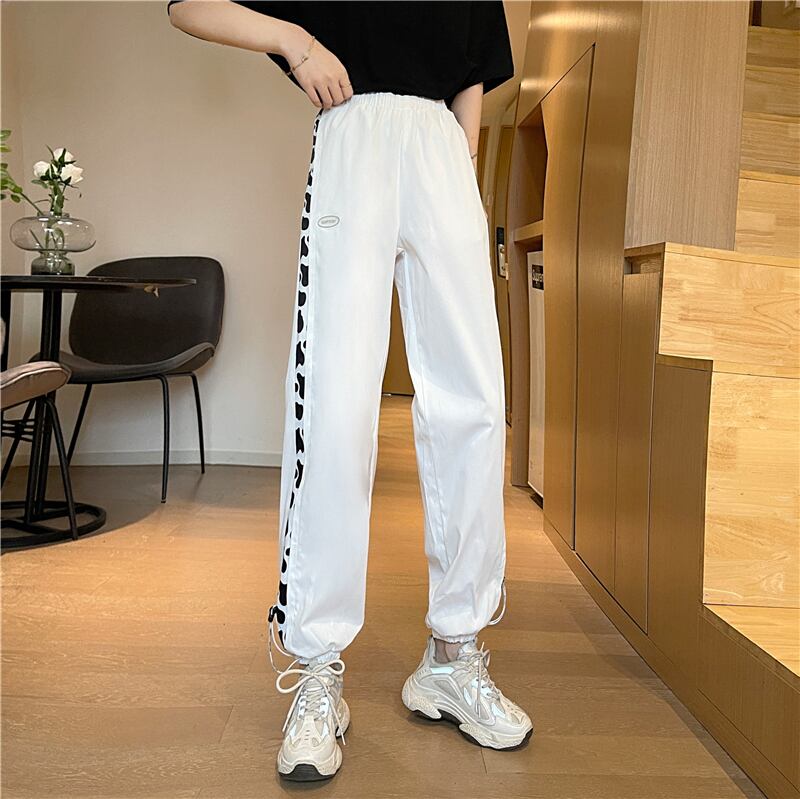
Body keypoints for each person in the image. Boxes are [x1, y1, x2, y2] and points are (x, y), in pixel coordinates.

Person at [167, 0, 533, 781]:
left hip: (442, 148)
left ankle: (454, 652)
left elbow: (474, 63)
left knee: (473, 403)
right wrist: (295, 42)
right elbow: (187, 6)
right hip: (355, 133)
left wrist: (461, 156)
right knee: (333, 404)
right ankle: (318, 666)